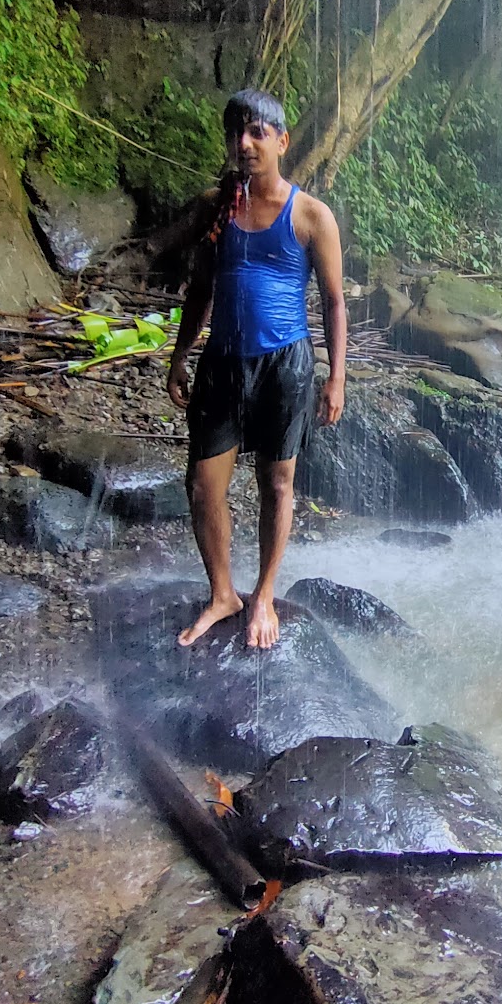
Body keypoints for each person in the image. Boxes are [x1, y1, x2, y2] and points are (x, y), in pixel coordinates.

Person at [166, 89, 346, 649]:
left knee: (277, 482)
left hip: (284, 365)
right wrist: (179, 354)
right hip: (221, 362)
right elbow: (200, 289)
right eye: (237, 134)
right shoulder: (218, 208)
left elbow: (335, 302)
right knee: (202, 485)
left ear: (281, 141)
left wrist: (336, 377)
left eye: (257, 133)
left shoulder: (311, 215)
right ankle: (223, 593)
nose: (244, 144)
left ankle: (263, 593)